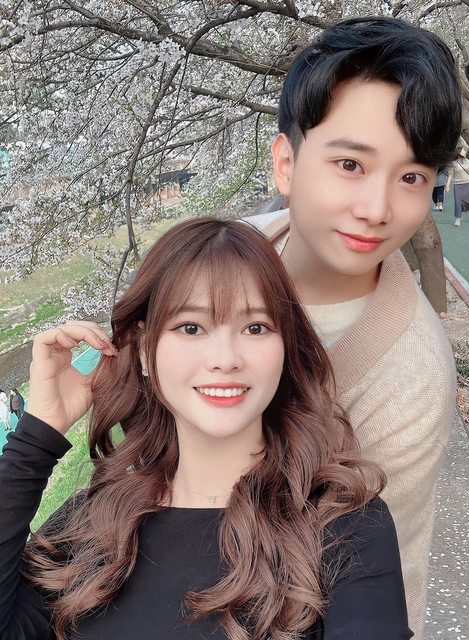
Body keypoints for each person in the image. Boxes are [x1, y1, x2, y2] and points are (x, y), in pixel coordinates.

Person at [0, 218, 412, 639]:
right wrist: (37, 434)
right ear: (143, 349)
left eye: (255, 327)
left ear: (286, 347)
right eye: (191, 328)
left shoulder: (343, 528)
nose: (225, 359)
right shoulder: (93, 525)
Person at [244, 16, 461, 639]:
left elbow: (367, 584)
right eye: (349, 164)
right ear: (286, 163)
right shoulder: (222, 260)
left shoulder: (411, 378)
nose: (377, 209)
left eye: (412, 177)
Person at [445, 146, 469, 226]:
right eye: (462, 154)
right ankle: (458, 219)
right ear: (458, 155)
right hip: (458, 185)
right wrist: (447, 186)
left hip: (468, 183)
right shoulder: (453, 164)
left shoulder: (467, 161)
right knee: (458, 202)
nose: (464, 156)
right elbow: (450, 175)